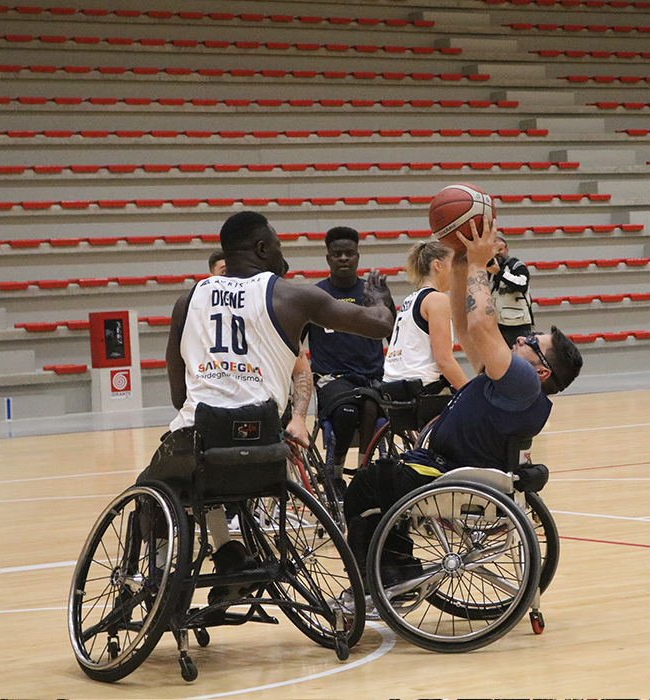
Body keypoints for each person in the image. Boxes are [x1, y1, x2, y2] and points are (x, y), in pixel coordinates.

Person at [137, 211, 394, 600]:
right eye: (277, 244)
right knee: (213, 464)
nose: (281, 251)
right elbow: (378, 324)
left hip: (202, 446)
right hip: (266, 451)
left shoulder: (186, 302)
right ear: (261, 248)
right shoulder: (293, 296)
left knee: (151, 488)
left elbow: (178, 398)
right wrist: (380, 299)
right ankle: (230, 557)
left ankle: (159, 582)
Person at [343, 216, 584, 592]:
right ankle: (393, 566)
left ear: (542, 371)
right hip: (448, 467)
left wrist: (477, 265)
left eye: (533, 343)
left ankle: (381, 575)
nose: (523, 339)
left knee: (367, 484)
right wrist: (459, 265)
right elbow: (461, 318)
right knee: (380, 483)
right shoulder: (508, 379)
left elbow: (481, 326)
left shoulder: (521, 382)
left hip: (448, 475)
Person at [305, 227, 396, 484]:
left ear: (357, 257)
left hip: (372, 378)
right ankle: (334, 472)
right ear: (328, 258)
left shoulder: (374, 293)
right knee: (347, 410)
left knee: (369, 404)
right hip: (331, 378)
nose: (343, 258)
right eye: (337, 254)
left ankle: (363, 472)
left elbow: (394, 335)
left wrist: (387, 304)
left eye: (349, 253)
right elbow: (294, 344)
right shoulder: (314, 296)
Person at [383, 241, 469, 392]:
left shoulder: (410, 299)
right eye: (452, 263)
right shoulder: (437, 299)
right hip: (421, 389)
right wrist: (470, 394)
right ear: (437, 265)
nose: (456, 270)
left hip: (393, 387)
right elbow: (444, 361)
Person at [488, 236, 534, 346]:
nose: (497, 253)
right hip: (497, 325)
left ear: (507, 250)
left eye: (500, 249)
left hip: (519, 325)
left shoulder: (516, 265)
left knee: (522, 358)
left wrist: (499, 273)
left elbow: (521, 284)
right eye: (493, 250)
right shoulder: (488, 270)